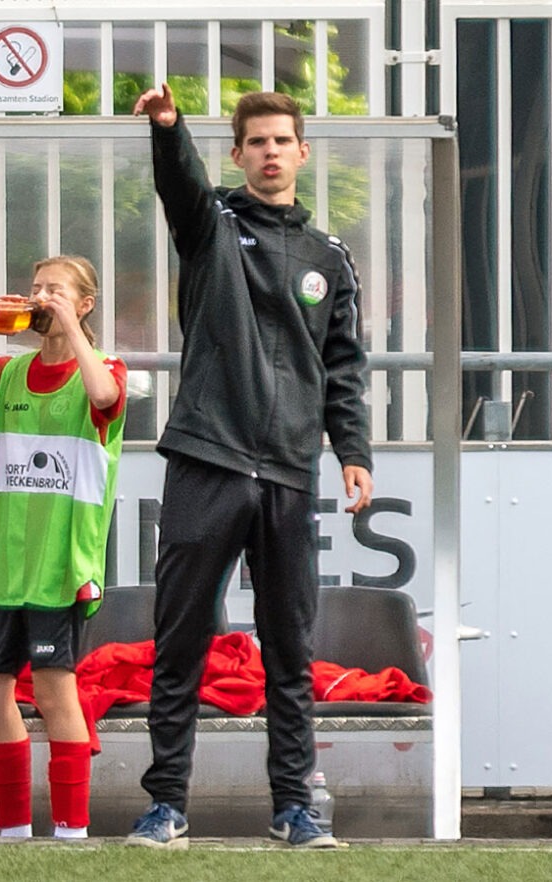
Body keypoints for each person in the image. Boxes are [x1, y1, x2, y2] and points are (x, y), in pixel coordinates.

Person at [126, 84, 374, 850]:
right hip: (208, 456)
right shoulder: (213, 228)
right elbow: (182, 189)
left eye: (281, 141)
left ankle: (293, 806)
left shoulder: (330, 259)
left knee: (290, 649)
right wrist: (169, 131)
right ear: (237, 155)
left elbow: (344, 367)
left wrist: (353, 452)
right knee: (182, 639)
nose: (269, 152)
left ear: (301, 153)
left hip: (291, 472)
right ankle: (166, 804)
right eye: (255, 142)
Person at [0, 255, 126, 840]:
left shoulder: (104, 368)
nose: (39, 298)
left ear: (85, 304)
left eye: (55, 291)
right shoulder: (9, 373)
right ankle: (14, 832)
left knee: (54, 688)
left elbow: (103, 392)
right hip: (7, 565)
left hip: (60, 566)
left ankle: (71, 833)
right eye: (35, 289)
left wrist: (73, 330)